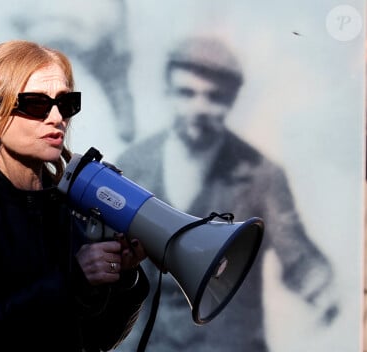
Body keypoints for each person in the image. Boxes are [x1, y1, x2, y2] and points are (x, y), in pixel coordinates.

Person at [0, 40, 150, 351]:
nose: (56, 118)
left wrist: (125, 277)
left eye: (66, 104)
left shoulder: (67, 212)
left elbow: (96, 339)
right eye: (37, 104)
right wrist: (74, 279)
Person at [114, 36, 338, 351]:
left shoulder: (263, 175)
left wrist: (321, 289)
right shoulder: (132, 166)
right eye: (186, 93)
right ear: (167, 93)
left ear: (232, 100)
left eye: (215, 97)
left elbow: (297, 253)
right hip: (150, 343)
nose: (199, 108)